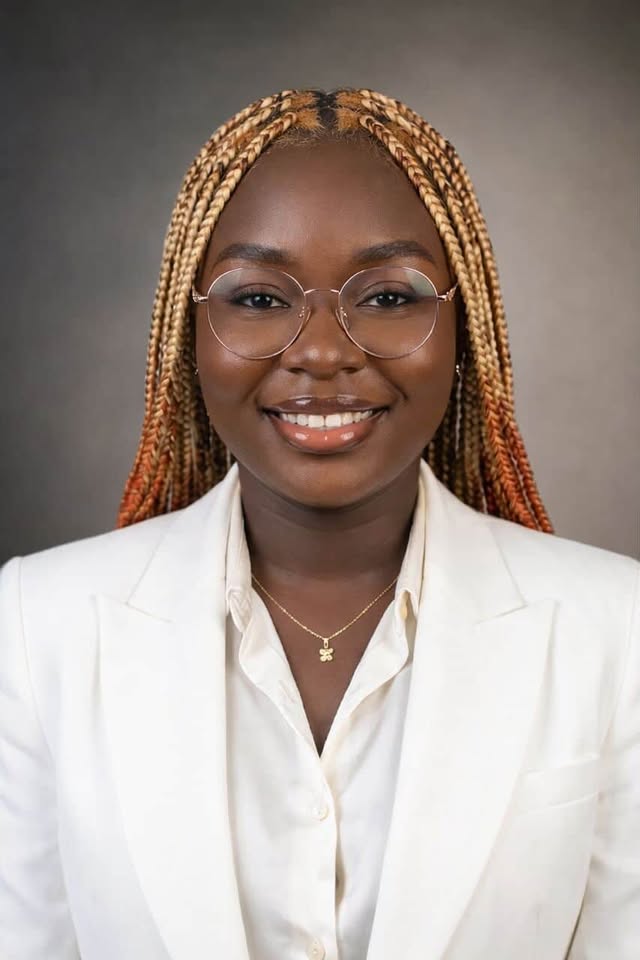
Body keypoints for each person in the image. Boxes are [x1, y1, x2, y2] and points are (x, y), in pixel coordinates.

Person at [0, 87, 637, 960]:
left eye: (390, 296)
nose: (325, 351)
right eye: (261, 299)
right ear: (189, 330)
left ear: (466, 326)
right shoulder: (37, 625)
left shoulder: (617, 630)